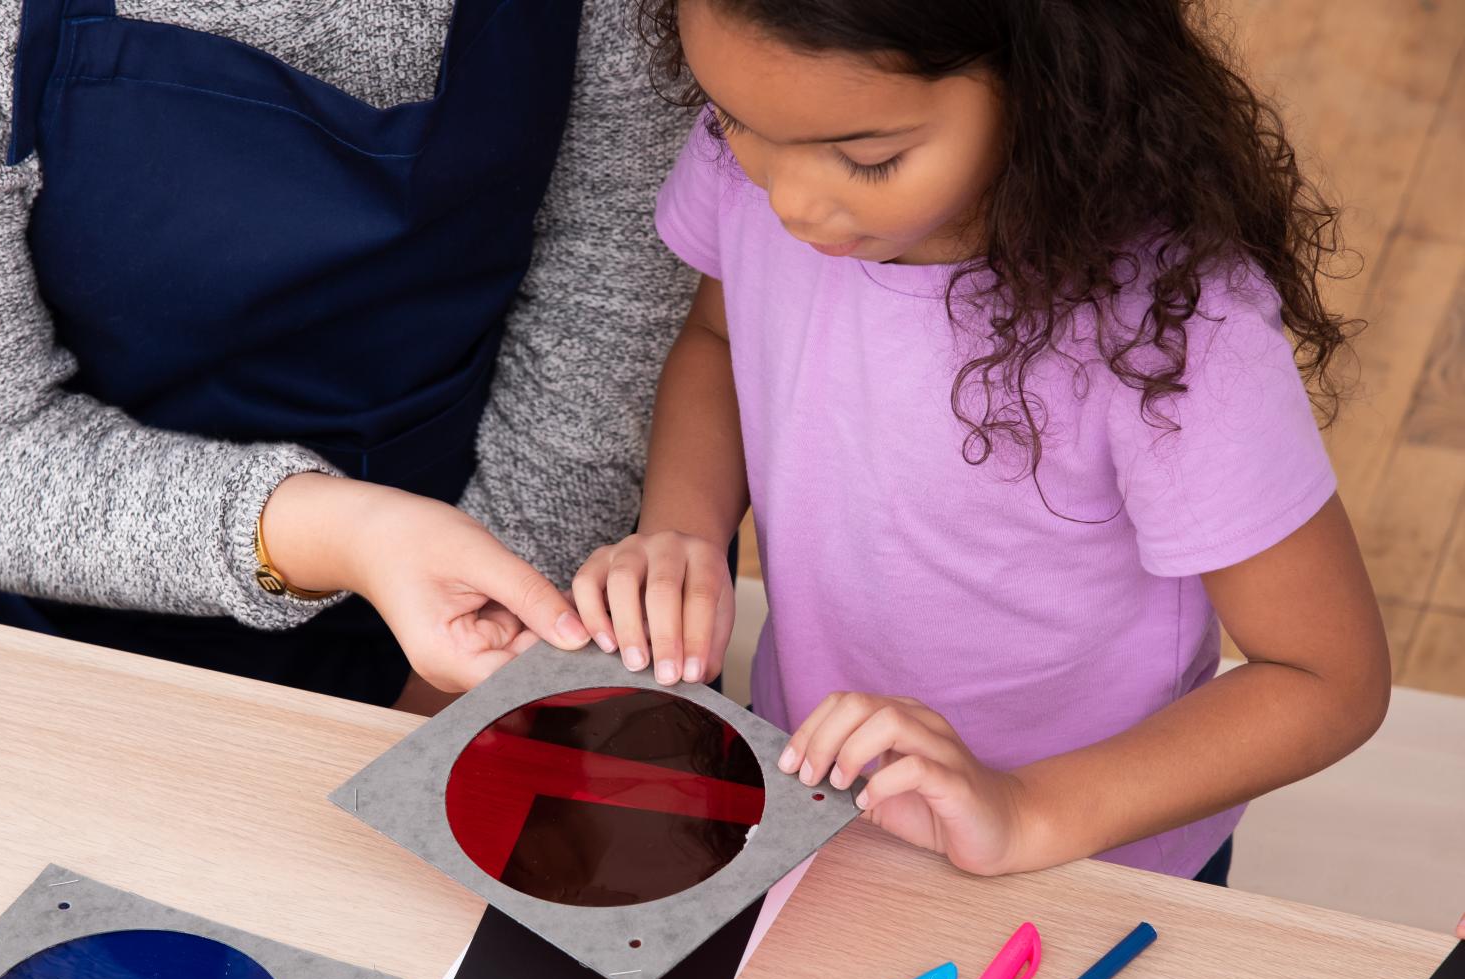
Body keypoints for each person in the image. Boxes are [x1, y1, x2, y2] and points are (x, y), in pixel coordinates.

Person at [573, 0, 1390, 880]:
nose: (789, 200)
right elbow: (718, 341)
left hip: (1083, 855)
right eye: (731, 118)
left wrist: (1026, 810)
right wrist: (682, 529)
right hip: (815, 799)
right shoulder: (764, 147)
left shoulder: (1171, 325)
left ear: (1049, 83)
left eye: (867, 157)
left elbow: (1325, 679)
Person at [0, 0, 695, 710]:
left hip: (467, 629)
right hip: (5, 640)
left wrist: (477, 672)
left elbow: (601, 332)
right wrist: (345, 535)